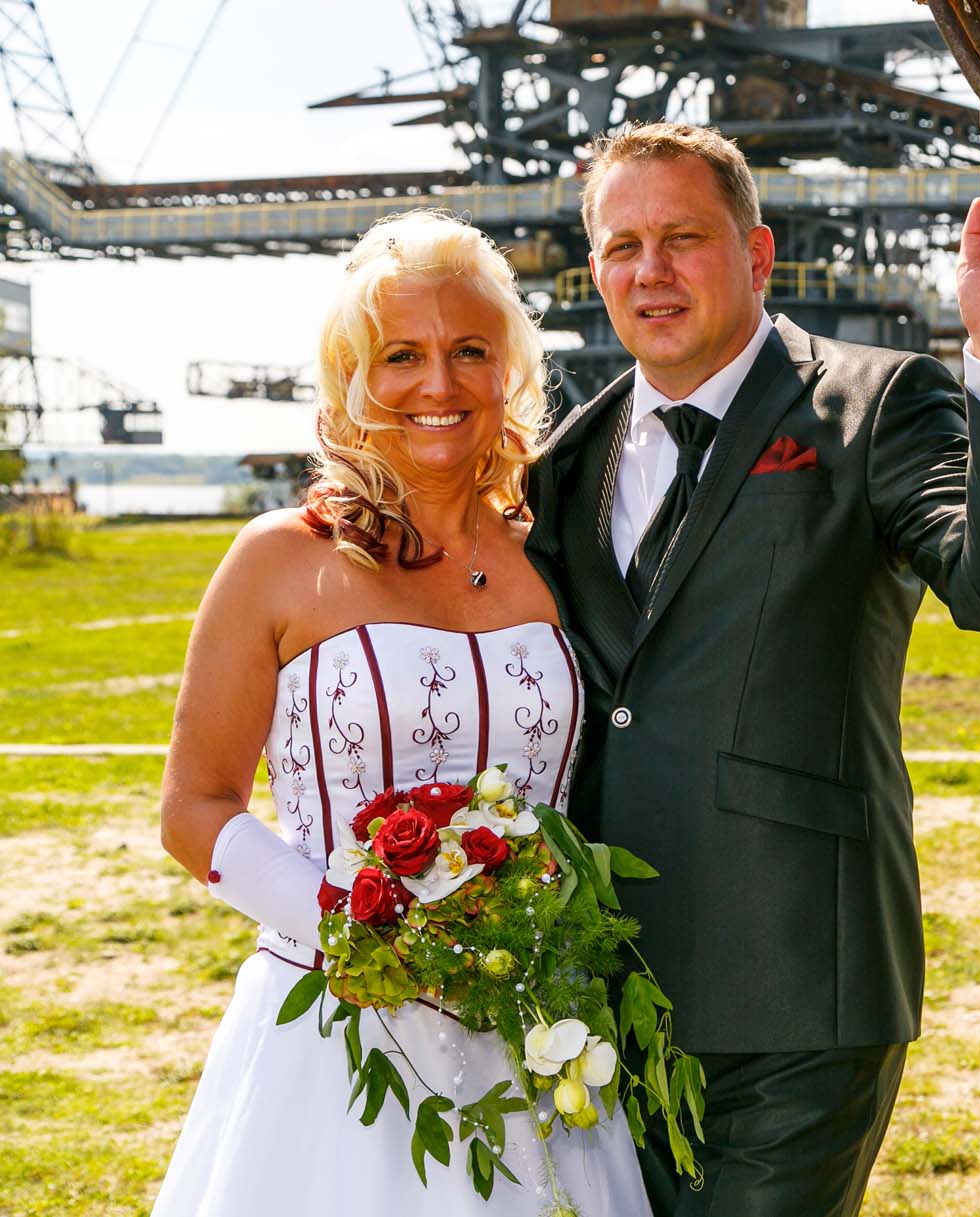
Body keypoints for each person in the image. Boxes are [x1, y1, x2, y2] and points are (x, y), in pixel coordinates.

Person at [523, 122, 980, 1217]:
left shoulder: (876, 405)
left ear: (759, 254)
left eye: (683, 237)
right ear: (593, 270)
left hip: (801, 993)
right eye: (623, 244)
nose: (652, 270)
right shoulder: (558, 464)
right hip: (593, 1010)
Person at [153, 210, 650, 1216]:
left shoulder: (556, 554)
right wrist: (365, 937)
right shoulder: (278, 558)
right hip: (335, 1032)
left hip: (534, 1032)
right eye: (401, 355)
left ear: (506, 368)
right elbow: (196, 807)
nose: (439, 384)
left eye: (470, 350)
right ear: (351, 375)